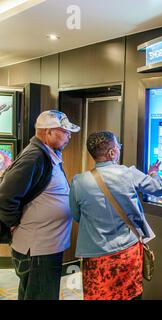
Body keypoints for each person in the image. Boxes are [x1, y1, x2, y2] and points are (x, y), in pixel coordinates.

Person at [69, 131, 162, 300]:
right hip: (127, 253)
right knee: (130, 295)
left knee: (98, 295)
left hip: (95, 256)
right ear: (112, 153)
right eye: (118, 146)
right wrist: (153, 173)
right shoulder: (128, 174)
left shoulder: (79, 182)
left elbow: (76, 215)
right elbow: (160, 188)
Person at [0, 110, 80, 300]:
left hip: (45, 246)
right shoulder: (34, 157)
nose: (69, 136)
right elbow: (5, 196)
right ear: (48, 132)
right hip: (37, 249)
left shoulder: (47, 154)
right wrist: (12, 224)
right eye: (65, 131)